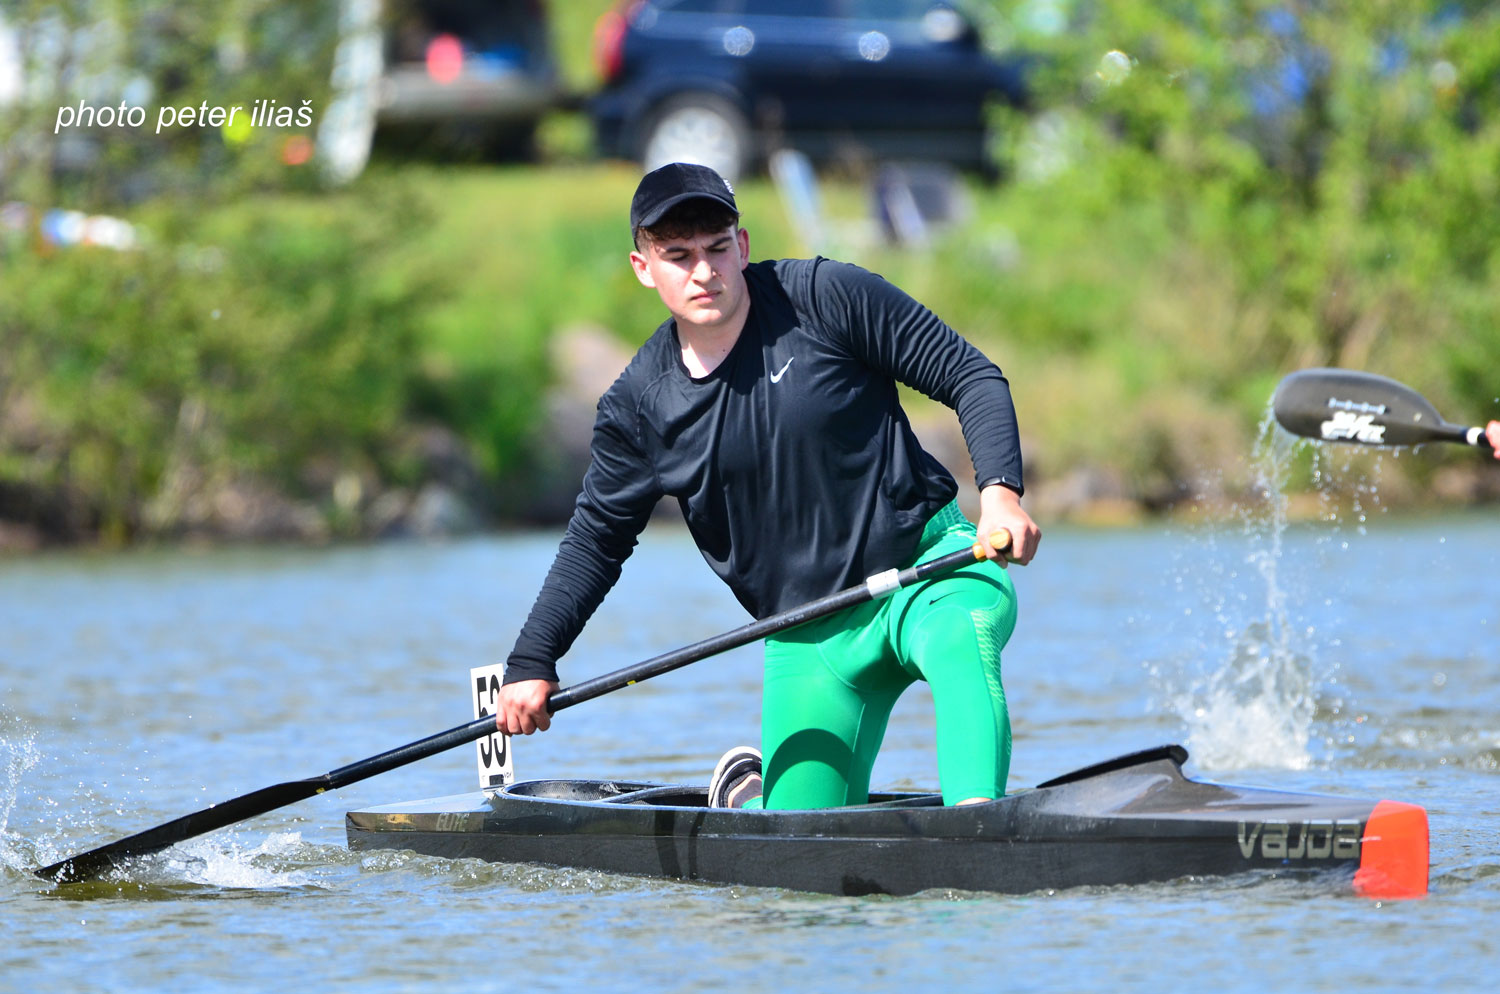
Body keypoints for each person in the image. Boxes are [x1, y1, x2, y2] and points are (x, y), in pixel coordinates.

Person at [496, 162, 1041, 810]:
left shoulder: (826, 297)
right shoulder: (640, 406)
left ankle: (978, 826)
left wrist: (1001, 495)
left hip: (930, 570)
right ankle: (747, 798)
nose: (704, 271)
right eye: (678, 256)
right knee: (792, 851)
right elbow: (595, 543)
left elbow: (970, 375)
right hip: (808, 629)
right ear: (644, 267)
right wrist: (532, 661)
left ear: (743, 245)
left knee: (958, 641)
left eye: (717, 249)